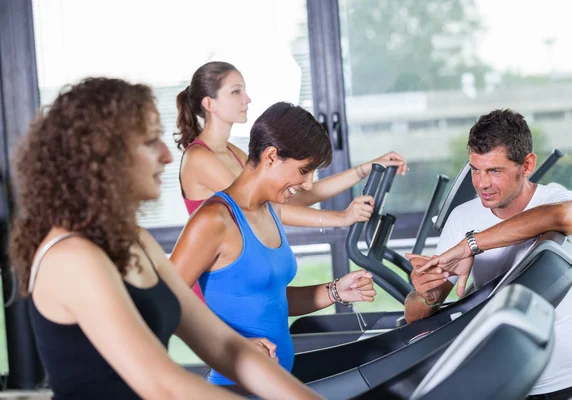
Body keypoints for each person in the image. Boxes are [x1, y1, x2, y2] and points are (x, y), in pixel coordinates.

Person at [9, 78, 323, 400]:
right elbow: (163, 386)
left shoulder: (137, 242)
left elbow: (227, 347)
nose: (167, 155)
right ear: (103, 156)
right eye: (149, 142)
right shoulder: (71, 257)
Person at [170, 102, 377, 386]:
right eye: (304, 170)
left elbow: (273, 300)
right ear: (271, 156)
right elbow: (165, 304)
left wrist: (335, 291)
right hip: (235, 387)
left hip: (277, 383)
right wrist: (232, 347)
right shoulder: (214, 220)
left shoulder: (270, 211)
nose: (307, 184)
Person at [404, 109, 572, 399]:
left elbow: (570, 217)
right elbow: (414, 315)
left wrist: (471, 244)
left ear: (527, 164)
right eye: (475, 169)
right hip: (503, 386)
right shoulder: (462, 217)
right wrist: (426, 295)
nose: (482, 183)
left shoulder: (558, 201)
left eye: (494, 171)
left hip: (571, 380)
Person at [175, 61, 406, 302]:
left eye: (244, 90)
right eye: (235, 92)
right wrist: (341, 218)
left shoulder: (232, 151)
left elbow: (297, 193)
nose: (247, 99)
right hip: (217, 291)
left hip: (247, 275)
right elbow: (265, 208)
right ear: (209, 103)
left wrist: (364, 169)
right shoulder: (199, 157)